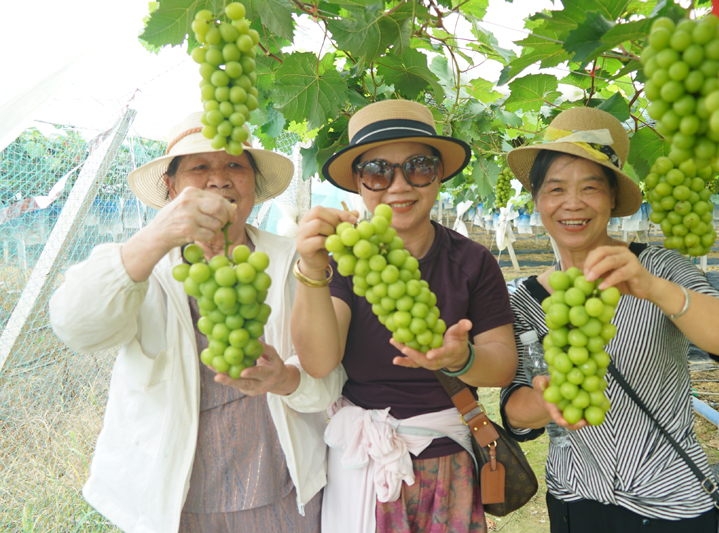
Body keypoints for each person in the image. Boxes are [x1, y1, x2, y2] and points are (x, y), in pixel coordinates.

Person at [49, 112, 346, 533]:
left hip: (283, 495)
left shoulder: (295, 262)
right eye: (199, 167)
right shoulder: (142, 262)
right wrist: (156, 237)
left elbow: (329, 382)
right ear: (171, 188)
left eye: (235, 166)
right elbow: (74, 327)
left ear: (254, 187)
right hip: (173, 505)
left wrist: (285, 379)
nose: (219, 180)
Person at [499, 107, 719, 533]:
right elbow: (515, 414)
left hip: (673, 502)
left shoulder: (658, 269)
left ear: (611, 200)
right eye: (555, 189)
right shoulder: (522, 300)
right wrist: (544, 405)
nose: (572, 203)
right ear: (537, 200)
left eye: (590, 187)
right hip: (575, 500)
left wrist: (655, 290)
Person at [291, 99, 518, 532]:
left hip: (448, 460)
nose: (398, 186)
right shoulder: (338, 261)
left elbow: (503, 365)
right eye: (378, 171)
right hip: (366, 463)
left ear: (438, 175)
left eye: (417, 167)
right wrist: (310, 270)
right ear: (359, 183)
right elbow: (319, 361)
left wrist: (461, 359)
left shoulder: (473, 261)